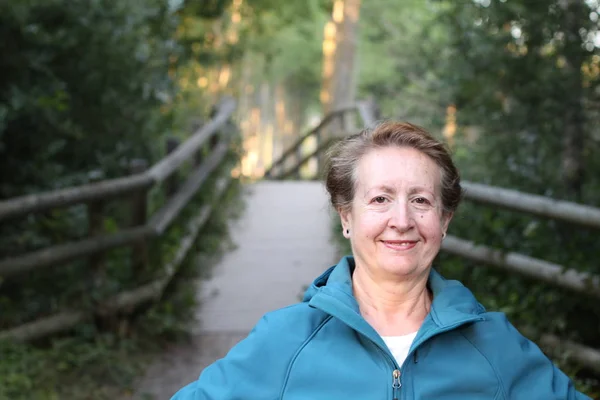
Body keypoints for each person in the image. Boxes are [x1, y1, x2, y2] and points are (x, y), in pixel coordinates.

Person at [171, 121, 591, 399]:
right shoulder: (286, 341)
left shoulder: (495, 347)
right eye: (380, 199)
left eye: (421, 201)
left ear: (444, 222)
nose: (402, 221)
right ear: (347, 216)